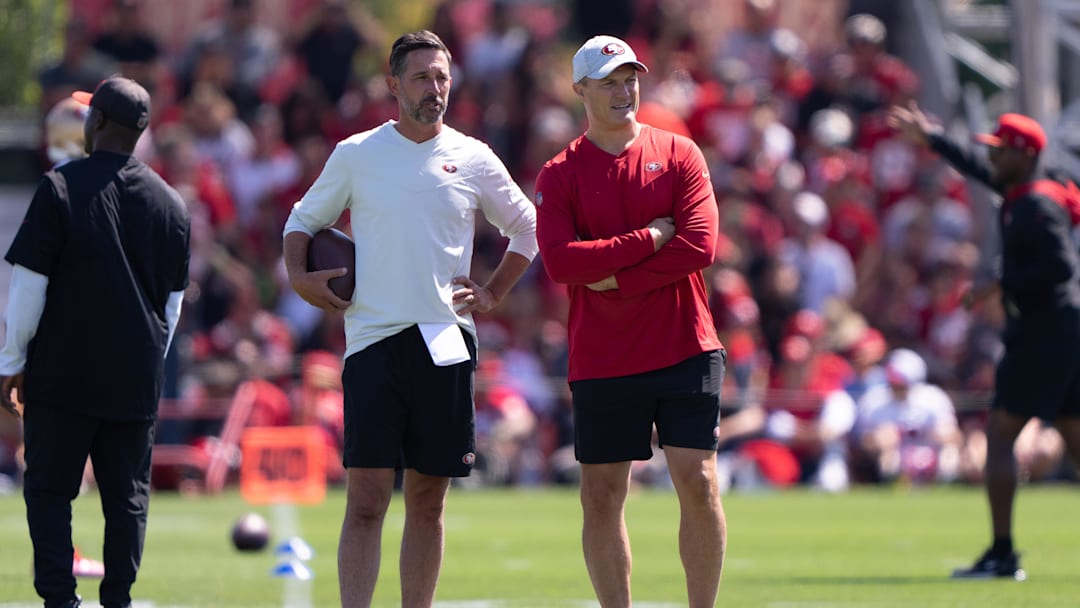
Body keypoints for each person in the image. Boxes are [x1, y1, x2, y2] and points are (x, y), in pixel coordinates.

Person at [281, 30, 537, 607]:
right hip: (372, 342)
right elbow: (301, 221)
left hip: (445, 341)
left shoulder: (473, 156)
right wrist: (299, 276)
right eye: (422, 77)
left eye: (443, 76)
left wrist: (494, 292)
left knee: (428, 499)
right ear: (393, 85)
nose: (435, 88)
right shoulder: (356, 154)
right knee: (367, 497)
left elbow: (527, 227)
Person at [535, 35, 728, 607]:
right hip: (603, 354)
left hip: (684, 343)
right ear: (581, 91)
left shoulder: (680, 152)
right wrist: (646, 239)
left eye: (630, 79)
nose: (624, 91)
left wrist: (615, 275)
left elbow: (698, 245)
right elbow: (562, 262)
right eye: (609, 82)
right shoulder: (559, 173)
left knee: (698, 481)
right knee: (601, 494)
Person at [0, 76, 190, 608]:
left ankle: (61, 599)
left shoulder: (59, 187)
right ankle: (118, 599)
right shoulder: (173, 204)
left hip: (62, 375)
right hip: (133, 377)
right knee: (127, 499)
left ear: (97, 121)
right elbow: (171, 308)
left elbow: (28, 288)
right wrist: (148, 360)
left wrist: (12, 361)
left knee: (50, 491)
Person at [889, 104, 1080, 580]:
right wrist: (933, 137)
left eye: (1000, 150)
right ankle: (1001, 552)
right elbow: (975, 168)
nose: (992, 158)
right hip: (1062, 329)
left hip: (1044, 331)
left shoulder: (1036, 206)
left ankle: (1002, 554)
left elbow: (1060, 268)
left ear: (1023, 155)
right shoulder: (1027, 189)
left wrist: (1002, 281)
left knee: (1000, 435)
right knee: (1077, 439)